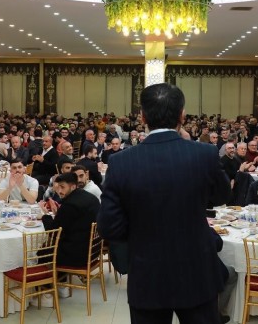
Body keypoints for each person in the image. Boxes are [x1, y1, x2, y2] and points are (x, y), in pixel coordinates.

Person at [98, 83, 230, 324]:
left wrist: (142, 233)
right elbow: (222, 196)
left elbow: (109, 227)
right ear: (182, 115)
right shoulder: (205, 154)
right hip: (196, 269)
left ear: (142, 117)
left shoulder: (121, 162)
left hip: (147, 271)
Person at [39, 171, 100, 267]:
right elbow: (74, 220)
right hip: (94, 251)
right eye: (58, 187)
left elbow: (53, 232)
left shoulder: (69, 205)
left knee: (40, 252)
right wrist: (59, 213)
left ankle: (52, 276)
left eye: (62, 187)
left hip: (77, 255)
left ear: (73, 187)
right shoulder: (90, 197)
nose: (59, 191)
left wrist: (45, 215)